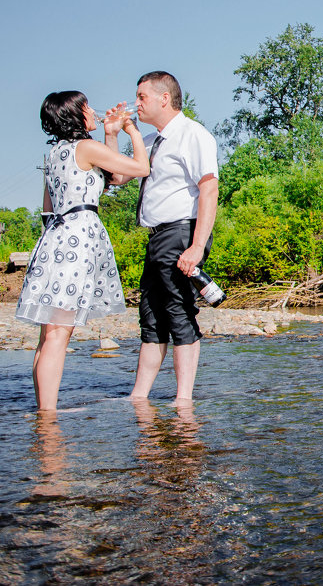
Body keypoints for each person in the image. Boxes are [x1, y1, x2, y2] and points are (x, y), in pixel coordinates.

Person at [17, 91, 150, 411]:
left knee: (47, 336)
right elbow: (140, 168)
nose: (93, 110)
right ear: (75, 115)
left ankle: (42, 413)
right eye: (87, 107)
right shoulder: (85, 148)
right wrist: (132, 131)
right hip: (78, 239)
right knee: (59, 336)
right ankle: (48, 419)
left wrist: (110, 133)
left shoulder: (53, 155)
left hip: (54, 238)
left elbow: (112, 178)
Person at [110, 71, 218, 407]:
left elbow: (209, 188)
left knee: (178, 310)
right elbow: (117, 177)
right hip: (157, 236)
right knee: (151, 313)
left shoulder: (192, 134)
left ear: (164, 99)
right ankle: (139, 396)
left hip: (181, 231)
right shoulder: (156, 141)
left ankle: (183, 399)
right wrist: (113, 134)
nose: (136, 103)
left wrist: (197, 246)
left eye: (141, 96)